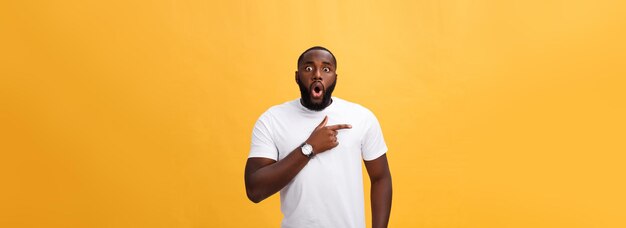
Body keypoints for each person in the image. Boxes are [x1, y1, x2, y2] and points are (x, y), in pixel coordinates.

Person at [244, 46, 392, 228]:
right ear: (297, 77)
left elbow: (381, 178)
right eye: (308, 68)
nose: (317, 75)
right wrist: (309, 148)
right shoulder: (272, 120)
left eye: (326, 69)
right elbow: (254, 190)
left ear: (335, 79)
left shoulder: (361, 118)